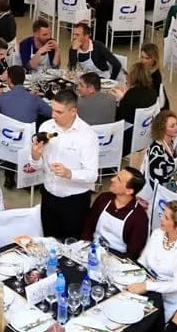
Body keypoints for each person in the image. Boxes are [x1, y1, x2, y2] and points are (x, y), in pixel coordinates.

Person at [28, 89, 99, 239]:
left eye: (59, 112)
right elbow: (37, 166)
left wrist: (69, 173)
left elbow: (92, 175)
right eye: (53, 110)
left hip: (74, 202)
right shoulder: (46, 127)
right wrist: (35, 156)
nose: (53, 115)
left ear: (73, 111)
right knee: (49, 240)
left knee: (71, 245)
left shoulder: (87, 136)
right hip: (48, 195)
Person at [130, 201, 177, 316]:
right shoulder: (157, 234)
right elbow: (142, 262)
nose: (161, 218)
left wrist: (147, 286)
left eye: (166, 218)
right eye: (163, 214)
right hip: (146, 290)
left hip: (169, 300)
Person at [81, 167, 149, 258]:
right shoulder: (104, 199)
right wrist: (86, 245)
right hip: (92, 249)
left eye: (119, 179)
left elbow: (133, 252)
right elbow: (88, 226)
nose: (112, 179)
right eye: (116, 176)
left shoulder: (139, 217)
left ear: (129, 191)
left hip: (117, 259)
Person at [145, 110, 177, 187]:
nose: (176, 128)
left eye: (176, 124)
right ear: (162, 128)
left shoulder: (171, 142)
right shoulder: (156, 151)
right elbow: (157, 180)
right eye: (172, 126)